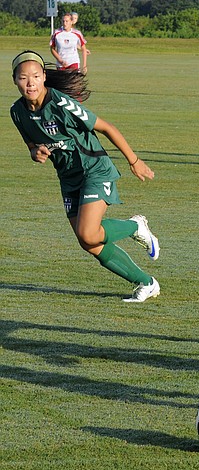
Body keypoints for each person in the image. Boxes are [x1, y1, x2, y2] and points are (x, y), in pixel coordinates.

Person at [10, 51, 161, 302]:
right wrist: (37, 153)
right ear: (14, 80)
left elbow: (106, 127)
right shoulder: (17, 112)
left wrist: (134, 161)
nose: (30, 83)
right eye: (24, 78)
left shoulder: (60, 104)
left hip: (94, 168)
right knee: (88, 242)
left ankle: (135, 226)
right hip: (68, 177)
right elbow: (32, 147)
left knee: (89, 233)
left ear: (44, 77)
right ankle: (146, 283)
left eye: (36, 76)